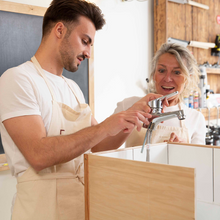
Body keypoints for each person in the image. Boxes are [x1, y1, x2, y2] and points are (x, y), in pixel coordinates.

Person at [0, 1, 160, 220]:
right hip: (38, 212)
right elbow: (38, 154)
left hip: (79, 208)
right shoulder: (17, 79)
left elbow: (99, 145)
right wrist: (106, 125)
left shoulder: (72, 88)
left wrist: (130, 118)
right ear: (59, 30)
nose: (89, 53)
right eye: (85, 41)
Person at [114, 43, 206, 147]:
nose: (167, 79)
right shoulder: (127, 105)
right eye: (161, 70)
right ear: (154, 75)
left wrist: (185, 149)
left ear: (187, 79)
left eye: (176, 72)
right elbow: (101, 149)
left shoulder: (196, 119)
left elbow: (197, 161)